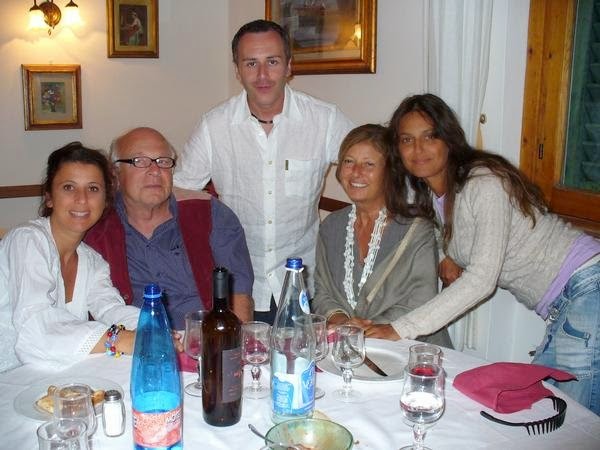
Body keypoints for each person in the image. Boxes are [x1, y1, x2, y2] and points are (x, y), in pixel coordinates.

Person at [388, 93, 600, 414]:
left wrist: (399, 329)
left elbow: (481, 280)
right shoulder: (434, 193)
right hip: (570, 297)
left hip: (586, 287)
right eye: (407, 139)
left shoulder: (484, 182)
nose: (418, 149)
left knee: (571, 419)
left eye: (430, 136)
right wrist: (447, 254)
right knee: (564, 415)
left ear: (449, 139)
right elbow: (449, 227)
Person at [174, 19, 354, 324]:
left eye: (272, 61)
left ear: (289, 66)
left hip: (304, 284)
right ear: (237, 70)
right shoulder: (214, 126)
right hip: (240, 287)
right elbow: (180, 192)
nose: (262, 75)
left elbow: (371, 165)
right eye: (250, 63)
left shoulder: (324, 120)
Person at [85, 127, 254, 330]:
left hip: (206, 340)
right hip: (132, 341)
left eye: (163, 161)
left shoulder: (210, 214)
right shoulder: (95, 226)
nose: (155, 171)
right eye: (139, 161)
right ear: (115, 173)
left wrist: (232, 345)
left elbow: (238, 294)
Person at [0, 142, 140, 372]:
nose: (82, 199)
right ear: (49, 197)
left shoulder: (92, 261)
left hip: (48, 375)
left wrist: (153, 328)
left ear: (105, 201)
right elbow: (35, 328)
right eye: (68, 187)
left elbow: (110, 309)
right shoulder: (27, 239)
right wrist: (120, 340)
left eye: (93, 188)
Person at [312, 124, 452, 347]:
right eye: (348, 161)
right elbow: (322, 292)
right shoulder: (331, 226)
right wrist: (342, 321)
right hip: (346, 347)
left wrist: (363, 329)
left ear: (390, 172)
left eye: (369, 164)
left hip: (410, 348)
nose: (356, 172)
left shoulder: (416, 229)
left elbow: (420, 301)